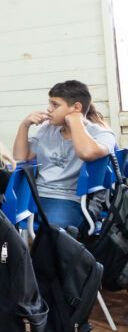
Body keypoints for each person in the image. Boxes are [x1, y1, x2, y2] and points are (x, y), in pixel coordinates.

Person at [13, 80, 117, 231]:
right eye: (49, 103)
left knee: (53, 233)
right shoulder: (47, 130)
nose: (49, 110)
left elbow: (86, 153)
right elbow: (21, 156)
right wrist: (24, 125)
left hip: (70, 200)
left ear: (76, 107)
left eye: (55, 105)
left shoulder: (102, 134)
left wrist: (76, 120)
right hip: (35, 195)